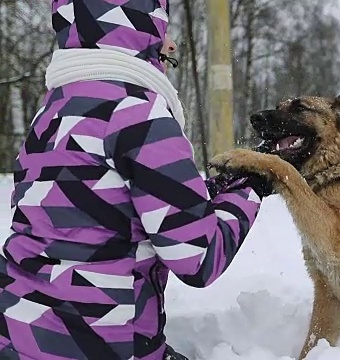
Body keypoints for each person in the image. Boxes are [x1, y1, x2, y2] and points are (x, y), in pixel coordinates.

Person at [0, 1, 272, 359]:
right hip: (103, 344)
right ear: (133, 25)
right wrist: (251, 186)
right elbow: (199, 258)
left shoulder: (50, 112)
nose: (170, 44)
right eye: (160, 27)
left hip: (20, 337)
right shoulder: (137, 114)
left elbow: (99, 213)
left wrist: (208, 194)